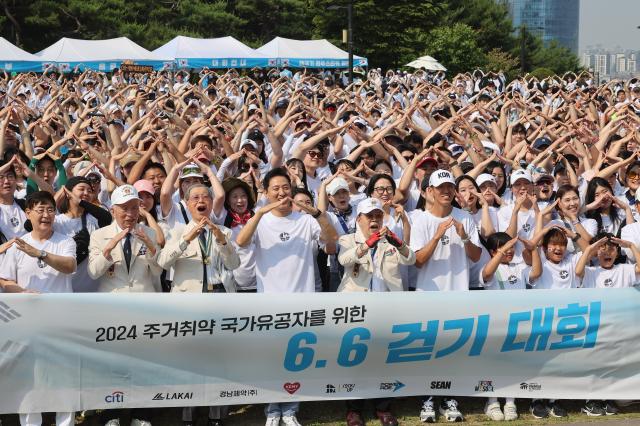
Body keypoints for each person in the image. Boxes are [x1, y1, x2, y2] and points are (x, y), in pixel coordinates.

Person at [236, 167, 338, 426]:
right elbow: (242, 242)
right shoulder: (261, 219)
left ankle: (291, 408)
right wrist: (259, 212)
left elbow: (330, 244)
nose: (282, 193)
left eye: (285, 188)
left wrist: (316, 213)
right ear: (267, 192)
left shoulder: (305, 220)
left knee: (296, 359)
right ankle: (272, 409)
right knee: (271, 358)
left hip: (303, 301)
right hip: (268, 302)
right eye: (276, 189)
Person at [158, 183, 239, 426]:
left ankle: (217, 415)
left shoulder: (225, 230)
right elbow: (163, 262)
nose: (200, 200)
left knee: (219, 358)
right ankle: (188, 415)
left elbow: (234, 264)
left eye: (205, 196)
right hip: (188, 301)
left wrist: (220, 238)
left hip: (219, 297)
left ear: (212, 202)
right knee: (189, 359)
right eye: (195, 197)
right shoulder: (176, 230)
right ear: (186, 203)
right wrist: (186, 240)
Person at [410, 169, 481, 422]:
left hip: (458, 294)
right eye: (441, 188)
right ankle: (428, 399)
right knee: (428, 350)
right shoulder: (420, 220)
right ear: (429, 191)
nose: (447, 192)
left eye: (450, 187)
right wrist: (437, 235)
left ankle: (450, 399)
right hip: (428, 295)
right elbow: (417, 261)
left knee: (453, 350)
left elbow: (475, 256)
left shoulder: (465, 218)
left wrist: (463, 237)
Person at [0, 191, 76, 426]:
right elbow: (4, 281)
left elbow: (70, 266)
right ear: (28, 212)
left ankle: (65, 422)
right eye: (40, 209)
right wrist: (22, 293)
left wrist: (40, 253)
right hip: (27, 322)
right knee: (30, 377)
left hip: (60, 321)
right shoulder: (17, 244)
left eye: (50, 209)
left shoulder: (65, 241)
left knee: (62, 377)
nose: (46, 215)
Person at [338, 197, 414, 426]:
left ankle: (383, 408)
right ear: (359, 219)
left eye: (378, 215)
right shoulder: (348, 238)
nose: (374, 220)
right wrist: (367, 244)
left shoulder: (389, 240)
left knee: (385, 359)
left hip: (387, 308)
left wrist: (397, 241)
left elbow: (410, 259)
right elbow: (344, 259)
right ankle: (354, 410)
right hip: (357, 309)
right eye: (369, 216)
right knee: (356, 359)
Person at [480, 232, 542, 421]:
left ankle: (510, 401)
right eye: (503, 248)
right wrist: (503, 251)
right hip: (495, 325)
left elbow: (536, 273)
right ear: (492, 252)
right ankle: (491, 402)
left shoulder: (520, 266)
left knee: (513, 362)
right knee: (492, 363)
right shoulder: (488, 267)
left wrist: (533, 250)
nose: (509, 251)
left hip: (518, 325)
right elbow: (487, 275)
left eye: (511, 247)